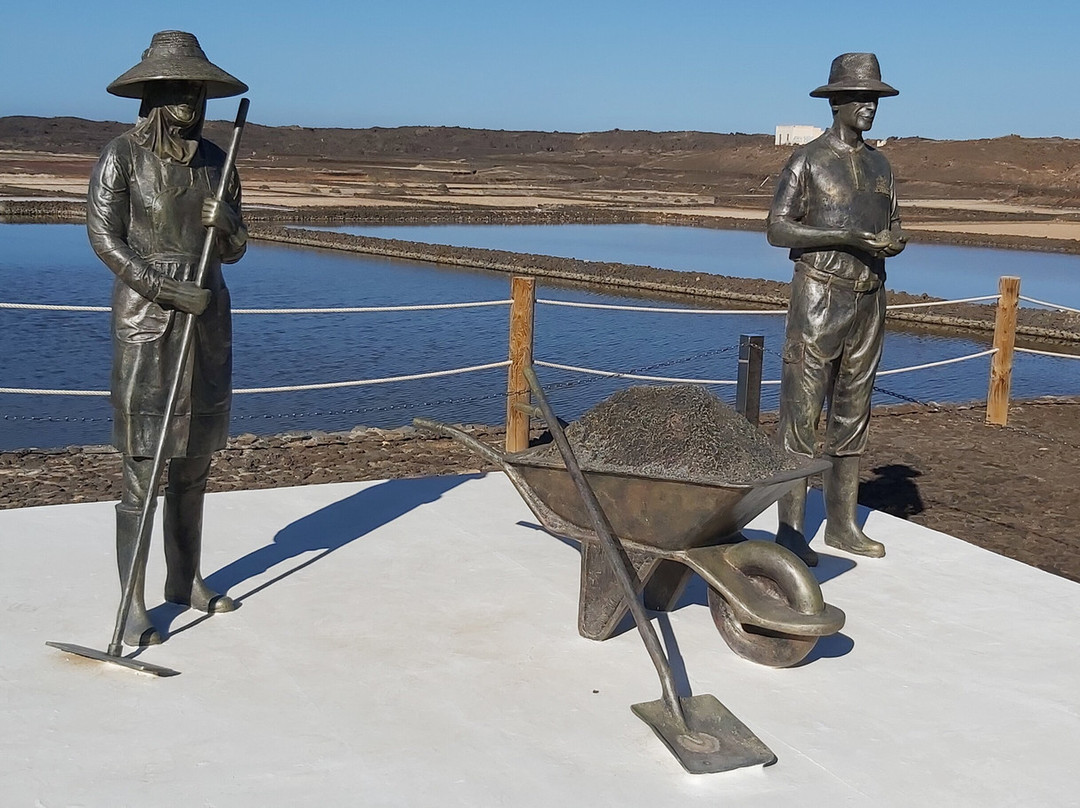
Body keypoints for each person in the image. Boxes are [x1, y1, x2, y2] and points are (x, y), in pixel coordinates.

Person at [87, 31, 248, 645]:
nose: (191, 101)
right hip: (149, 321)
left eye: (198, 90)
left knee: (195, 464)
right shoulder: (121, 156)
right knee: (144, 466)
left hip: (206, 318)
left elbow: (234, 251)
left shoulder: (217, 160)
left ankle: (185, 579)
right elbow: (105, 238)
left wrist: (228, 223)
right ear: (153, 94)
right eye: (178, 89)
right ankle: (131, 599)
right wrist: (163, 288)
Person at [767, 53, 906, 566]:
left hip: (870, 296)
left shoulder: (880, 164)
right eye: (861, 98)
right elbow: (777, 228)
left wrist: (893, 240)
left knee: (853, 409)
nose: (870, 106)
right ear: (838, 103)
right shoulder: (807, 161)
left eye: (875, 98)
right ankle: (791, 530)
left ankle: (843, 524)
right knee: (801, 414)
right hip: (820, 295)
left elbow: (893, 222)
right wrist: (841, 235)